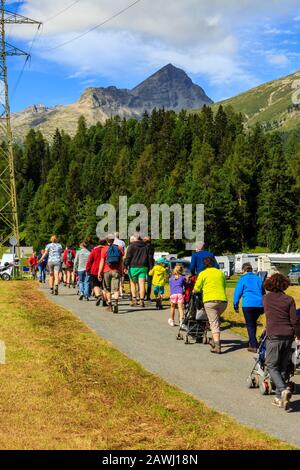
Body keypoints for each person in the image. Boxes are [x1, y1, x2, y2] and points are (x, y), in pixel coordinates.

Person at [263, 274, 300, 411]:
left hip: (274, 336)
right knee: (283, 367)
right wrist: (298, 336)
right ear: (285, 284)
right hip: (288, 336)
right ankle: (279, 398)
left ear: (270, 284)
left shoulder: (266, 298)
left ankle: (283, 390)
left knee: (271, 365)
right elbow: (294, 320)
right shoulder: (289, 299)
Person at [193, 256, 227, 354]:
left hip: (210, 301)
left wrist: (194, 291)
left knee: (214, 323)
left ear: (204, 264)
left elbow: (197, 288)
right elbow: (224, 286)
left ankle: (217, 346)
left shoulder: (203, 273)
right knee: (215, 320)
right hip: (223, 301)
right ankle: (213, 339)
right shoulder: (220, 273)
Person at [233, 263, 265, 353]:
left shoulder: (242, 279)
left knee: (250, 325)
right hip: (259, 305)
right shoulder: (258, 278)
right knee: (253, 323)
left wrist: (235, 305)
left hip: (248, 305)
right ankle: (252, 342)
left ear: (243, 270)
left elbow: (237, 293)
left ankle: (254, 346)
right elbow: (263, 292)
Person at [124, 234, 152, 308]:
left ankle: (134, 300)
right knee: (142, 284)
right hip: (143, 266)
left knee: (133, 283)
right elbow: (149, 257)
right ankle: (142, 300)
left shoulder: (131, 246)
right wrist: (150, 267)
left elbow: (128, 257)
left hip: (133, 266)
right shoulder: (146, 246)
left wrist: (125, 266)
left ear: (136, 239)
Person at [98, 235, 124, 313]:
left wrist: (99, 272)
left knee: (107, 289)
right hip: (116, 271)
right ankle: (115, 303)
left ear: (106, 240)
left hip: (106, 271)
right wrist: (122, 271)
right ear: (114, 240)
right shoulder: (119, 248)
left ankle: (110, 305)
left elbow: (102, 261)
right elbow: (121, 261)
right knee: (116, 289)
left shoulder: (104, 249)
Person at [86, 239, 107, 307]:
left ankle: (98, 296)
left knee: (95, 285)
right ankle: (104, 301)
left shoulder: (94, 250)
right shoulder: (107, 250)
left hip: (94, 270)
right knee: (104, 287)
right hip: (105, 270)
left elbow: (90, 260)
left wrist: (88, 269)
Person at [114, 232, 126, 298]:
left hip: (114, 260)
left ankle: (116, 291)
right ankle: (121, 289)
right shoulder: (122, 242)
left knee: (115, 274)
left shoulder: (112, 242)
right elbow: (124, 252)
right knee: (121, 274)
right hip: (121, 259)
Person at [144, 236, 155, 301]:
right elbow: (150, 257)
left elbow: (150, 257)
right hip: (149, 265)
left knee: (141, 281)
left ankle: (144, 294)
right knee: (149, 281)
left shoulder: (143, 247)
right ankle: (147, 295)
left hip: (144, 265)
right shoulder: (151, 247)